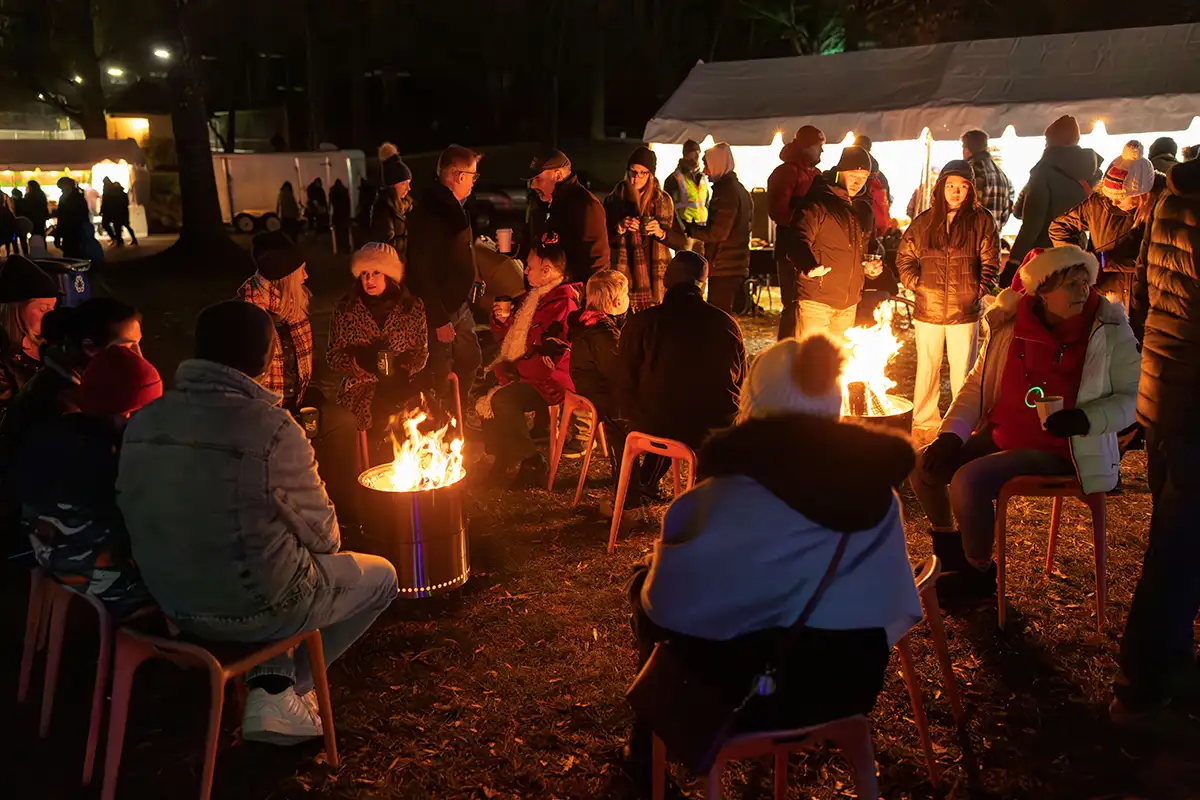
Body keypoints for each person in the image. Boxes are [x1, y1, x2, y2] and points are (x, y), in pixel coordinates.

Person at [624, 333, 921, 780]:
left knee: (642, 585)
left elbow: (666, 605)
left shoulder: (717, 497)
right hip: (848, 686)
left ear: (753, 402)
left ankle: (647, 754)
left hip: (748, 697)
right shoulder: (877, 491)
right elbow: (897, 604)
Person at [117, 301, 398, 744]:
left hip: (171, 603)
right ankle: (283, 694)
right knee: (380, 576)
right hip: (253, 607)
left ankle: (271, 682)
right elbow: (326, 538)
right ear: (267, 359)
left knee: (272, 556)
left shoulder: (143, 420)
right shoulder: (273, 429)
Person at [911, 246, 1139, 605]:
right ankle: (949, 551)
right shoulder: (1011, 324)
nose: (1085, 291)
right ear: (1043, 292)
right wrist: (950, 434)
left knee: (969, 480)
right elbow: (976, 384)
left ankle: (979, 575)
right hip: (1002, 433)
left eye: (1086, 282)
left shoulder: (1109, 329)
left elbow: (1133, 397)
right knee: (924, 465)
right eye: (1072, 284)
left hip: (1067, 449)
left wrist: (1086, 419)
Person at [1114, 156, 1200, 720]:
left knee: (1173, 541)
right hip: (1194, 401)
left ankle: (1160, 666)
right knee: (1181, 548)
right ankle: (1147, 678)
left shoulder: (1170, 198)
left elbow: (1141, 298)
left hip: (1164, 393)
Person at [18, 346, 162, 617]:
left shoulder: (50, 436)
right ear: (129, 413)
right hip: (106, 584)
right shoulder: (109, 459)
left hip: (51, 564)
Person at [616, 251, 746, 499]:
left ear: (666, 279)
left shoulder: (642, 323)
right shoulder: (726, 324)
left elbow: (624, 378)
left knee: (665, 409)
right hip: (713, 422)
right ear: (703, 284)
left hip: (655, 423)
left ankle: (635, 488)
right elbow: (741, 381)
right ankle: (706, 492)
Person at [897, 160, 1001, 445]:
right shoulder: (925, 221)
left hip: (964, 309)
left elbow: (991, 261)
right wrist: (917, 285)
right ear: (941, 187)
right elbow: (904, 257)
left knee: (964, 375)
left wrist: (977, 291)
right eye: (951, 186)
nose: (956, 192)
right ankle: (923, 423)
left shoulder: (981, 221)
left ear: (970, 190)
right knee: (926, 368)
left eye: (963, 187)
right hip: (927, 308)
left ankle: (961, 427)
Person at [476, 243, 580, 488]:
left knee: (502, 399)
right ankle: (503, 458)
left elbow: (551, 358)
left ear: (546, 271)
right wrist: (501, 321)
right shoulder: (534, 297)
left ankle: (532, 461)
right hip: (527, 370)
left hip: (550, 381)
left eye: (530, 267)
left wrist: (516, 371)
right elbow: (510, 339)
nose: (525, 271)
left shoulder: (562, 304)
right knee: (487, 391)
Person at [327, 243, 428, 459]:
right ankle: (373, 465)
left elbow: (421, 352)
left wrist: (403, 367)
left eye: (375, 273)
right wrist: (358, 362)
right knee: (375, 416)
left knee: (420, 414)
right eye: (364, 274)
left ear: (389, 276)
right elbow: (333, 357)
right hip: (361, 386)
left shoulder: (411, 307)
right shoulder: (347, 309)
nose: (368, 280)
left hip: (401, 383)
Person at [405, 144, 483, 417]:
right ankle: (439, 422)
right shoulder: (431, 213)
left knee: (471, 358)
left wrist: (473, 276)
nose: (474, 181)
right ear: (457, 175)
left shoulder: (456, 207)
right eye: (473, 175)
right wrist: (438, 317)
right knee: (439, 368)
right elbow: (420, 268)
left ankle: (455, 411)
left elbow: (461, 250)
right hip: (441, 307)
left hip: (458, 303)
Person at [783, 146, 882, 342]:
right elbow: (796, 238)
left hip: (848, 304)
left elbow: (869, 248)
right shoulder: (818, 203)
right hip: (816, 302)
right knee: (812, 363)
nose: (858, 182)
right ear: (840, 173)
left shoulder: (863, 210)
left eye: (864, 177)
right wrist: (808, 266)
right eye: (853, 175)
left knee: (839, 366)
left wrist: (872, 267)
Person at [1048, 141, 1158, 309]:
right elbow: (1058, 228)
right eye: (1109, 195)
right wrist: (1080, 260)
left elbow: (1159, 260)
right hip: (1103, 296)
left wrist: (1109, 261)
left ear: (1142, 195)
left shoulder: (1162, 211)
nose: (1113, 202)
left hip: (1146, 299)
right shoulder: (1098, 204)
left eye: (1120, 198)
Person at [565, 269, 635, 505]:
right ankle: (631, 486)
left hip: (590, 389)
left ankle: (638, 482)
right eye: (627, 294)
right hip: (602, 396)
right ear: (617, 301)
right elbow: (619, 375)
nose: (629, 298)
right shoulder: (603, 334)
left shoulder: (587, 321)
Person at [1006, 115, 1102, 283]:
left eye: (1046, 140)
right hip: (1077, 250)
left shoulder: (1043, 172)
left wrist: (1014, 261)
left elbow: (1032, 222)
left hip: (1045, 255)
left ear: (1052, 141)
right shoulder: (1091, 173)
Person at [236, 232, 312, 413]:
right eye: (301, 270)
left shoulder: (293, 308)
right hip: (262, 413)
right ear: (286, 278)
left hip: (294, 403)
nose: (306, 276)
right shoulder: (248, 316)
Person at [603, 147, 676, 312]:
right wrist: (620, 228)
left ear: (650, 174)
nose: (636, 177)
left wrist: (660, 232)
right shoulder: (614, 199)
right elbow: (604, 237)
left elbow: (679, 240)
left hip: (655, 275)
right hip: (624, 270)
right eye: (633, 171)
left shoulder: (663, 200)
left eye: (642, 172)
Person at [769, 125, 825, 339]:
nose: (822, 151)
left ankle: (803, 352)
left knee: (810, 306)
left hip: (812, 248)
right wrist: (804, 222)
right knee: (793, 306)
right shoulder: (785, 173)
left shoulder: (815, 174)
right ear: (807, 147)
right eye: (819, 146)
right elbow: (778, 211)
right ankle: (787, 354)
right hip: (790, 249)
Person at [683, 143, 752, 314]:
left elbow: (718, 233)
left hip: (724, 266)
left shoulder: (726, 192)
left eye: (707, 165)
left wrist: (690, 230)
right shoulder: (739, 189)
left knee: (718, 318)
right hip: (734, 265)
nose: (705, 171)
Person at [527, 150, 609, 284]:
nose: (533, 185)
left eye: (538, 179)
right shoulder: (547, 204)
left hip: (572, 295)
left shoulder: (585, 205)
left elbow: (596, 262)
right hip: (556, 291)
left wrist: (585, 297)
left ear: (558, 175)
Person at [0, 256, 60, 419]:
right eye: (43, 309)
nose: (50, 316)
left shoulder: (54, 344)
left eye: (53, 308)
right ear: (16, 310)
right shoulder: (4, 357)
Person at [962, 129, 1014, 233]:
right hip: (993, 239)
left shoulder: (972, 172)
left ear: (966, 151)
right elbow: (1007, 210)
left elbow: (967, 210)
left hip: (972, 240)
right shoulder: (1001, 174)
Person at [369, 144, 413, 260]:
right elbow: (386, 246)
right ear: (392, 185)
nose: (409, 188)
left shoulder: (406, 206)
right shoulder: (383, 208)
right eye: (404, 183)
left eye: (409, 183)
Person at [663, 139, 709, 229]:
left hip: (703, 229)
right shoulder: (673, 179)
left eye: (698, 152)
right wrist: (679, 229)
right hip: (684, 230)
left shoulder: (702, 177)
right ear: (686, 155)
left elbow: (706, 202)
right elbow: (669, 208)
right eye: (693, 152)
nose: (697, 155)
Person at [54, 176, 92, 259]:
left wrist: (58, 234)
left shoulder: (72, 198)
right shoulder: (77, 197)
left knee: (73, 255)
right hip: (74, 231)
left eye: (62, 188)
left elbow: (63, 217)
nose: (62, 190)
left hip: (74, 231)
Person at [854, 134, 892, 205]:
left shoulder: (850, 170)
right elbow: (888, 202)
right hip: (875, 214)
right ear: (870, 149)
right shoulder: (880, 177)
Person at [329, 178, 352, 252]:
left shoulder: (333, 191)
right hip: (344, 214)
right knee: (345, 232)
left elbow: (331, 202)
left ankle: (339, 248)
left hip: (337, 214)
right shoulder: (344, 191)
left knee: (338, 232)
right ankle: (347, 248)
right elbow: (348, 203)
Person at [111, 182, 137, 247]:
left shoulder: (115, 196)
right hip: (124, 213)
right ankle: (133, 239)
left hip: (119, 213)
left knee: (118, 227)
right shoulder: (124, 194)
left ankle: (120, 241)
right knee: (126, 226)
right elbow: (126, 204)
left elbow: (115, 205)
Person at [100, 177, 120, 246]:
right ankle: (116, 239)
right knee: (115, 225)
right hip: (111, 210)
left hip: (109, 210)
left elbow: (105, 200)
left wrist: (102, 210)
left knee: (107, 224)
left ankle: (115, 239)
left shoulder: (108, 189)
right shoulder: (110, 189)